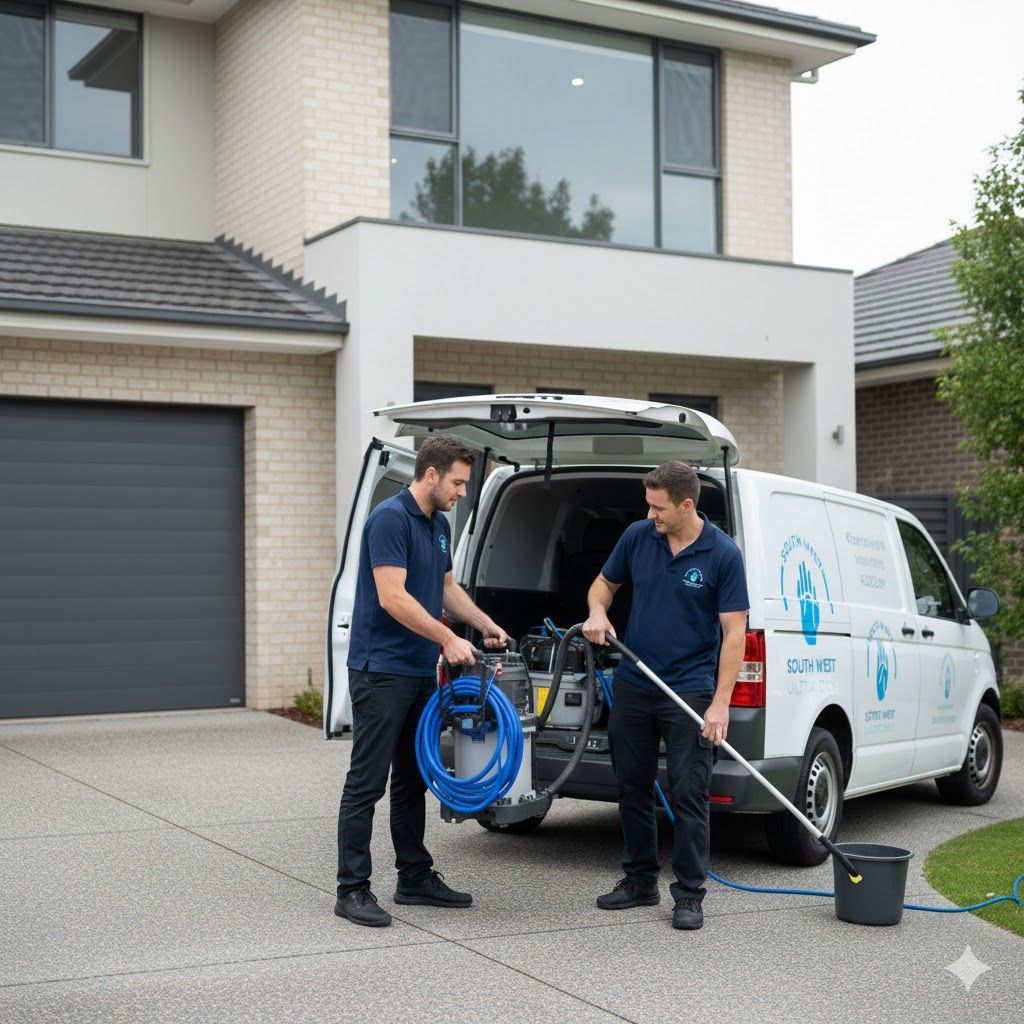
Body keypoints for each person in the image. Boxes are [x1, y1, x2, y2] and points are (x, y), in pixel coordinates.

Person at [335, 435, 508, 928]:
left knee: (412, 778)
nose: (461, 492)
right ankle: (352, 889)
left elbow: (446, 588)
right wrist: (445, 640)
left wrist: (483, 623)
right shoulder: (390, 518)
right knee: (366, 782)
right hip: (380, 671)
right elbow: (393, 597)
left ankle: (413, 876)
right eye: (456, 482)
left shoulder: (440, 523)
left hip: (416, 673)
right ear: (430, 474)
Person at [583, 460, 748, 931]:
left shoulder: (722, 554)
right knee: (631, 785)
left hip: (690, 690)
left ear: (686, 504)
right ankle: (639, 881)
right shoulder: (639, 536)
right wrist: (598, 612)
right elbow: (603, 585)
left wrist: (720, 703)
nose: (650, 513)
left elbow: (734, 634)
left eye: (658, 506)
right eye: (648, 504)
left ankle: (690, 894)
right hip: (636, 682)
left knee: (688, 791)